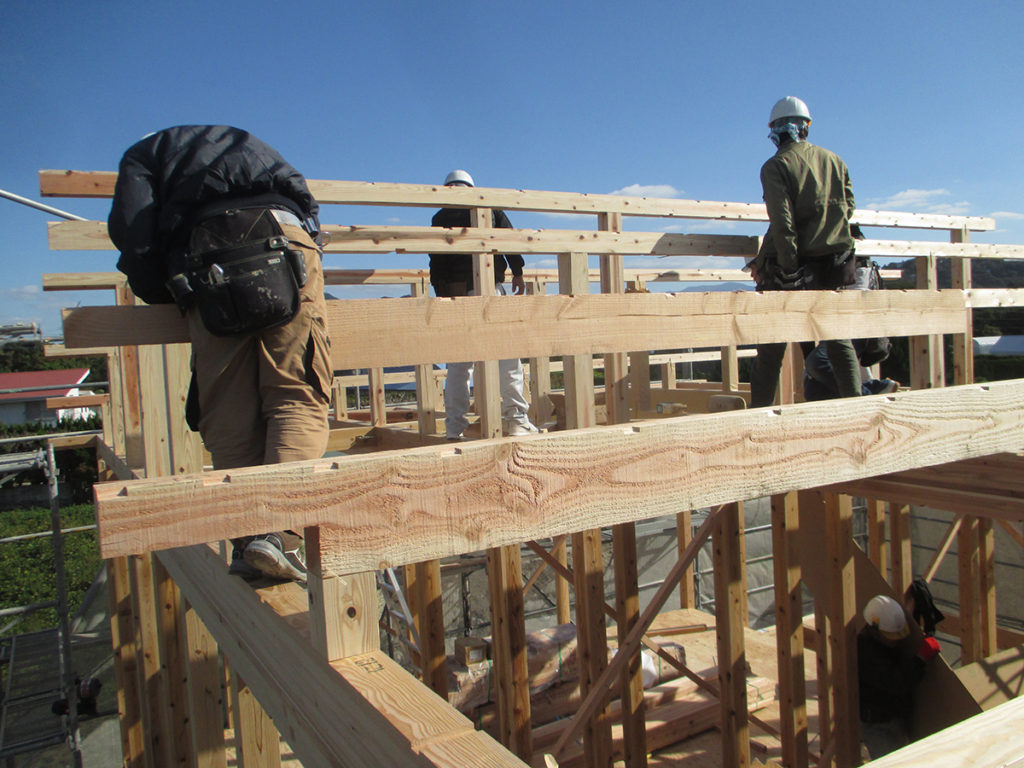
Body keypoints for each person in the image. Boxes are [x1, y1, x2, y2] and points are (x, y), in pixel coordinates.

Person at [108, 125, 332, 582]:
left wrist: (169, 295)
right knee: (296, 392)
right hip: (284, 238)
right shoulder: (247, 144)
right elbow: (306, 207)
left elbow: (135, 234)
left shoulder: (143, 156)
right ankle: (281, 535)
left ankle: (247, 542)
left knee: (227, 407)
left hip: (207, 253)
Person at [748, 96, 862, 408]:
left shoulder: (776, 166)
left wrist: (789, 271)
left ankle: (759, 418)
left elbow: (783, 224)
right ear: (806, 127)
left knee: (771, 348)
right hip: (834, 265)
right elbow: (848, 208)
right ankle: (857, 409)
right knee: (838, 340)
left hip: (795, 264)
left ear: (775, 131)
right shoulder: (835, 161)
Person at [429, 169, 538, 440]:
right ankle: (516, 420)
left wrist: (442, 296)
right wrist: (518, 272)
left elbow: (436, 260)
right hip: (490, 289)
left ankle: (454, 428)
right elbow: (510, 239)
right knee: (507, 358)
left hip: (456, 296)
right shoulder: (488, 206)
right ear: (471, 187)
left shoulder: (439, 217)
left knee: (459, 365)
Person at [857, 594, 941, 759]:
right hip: (877, 725)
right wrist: (920, 659)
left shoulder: (882, 638)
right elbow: (896, 682)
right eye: (891, 636)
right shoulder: (865, 652)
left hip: (893, 718)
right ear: (874, 630)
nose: (895, 641)